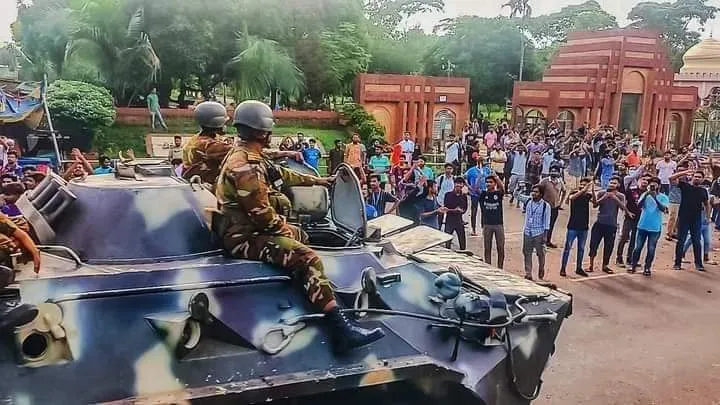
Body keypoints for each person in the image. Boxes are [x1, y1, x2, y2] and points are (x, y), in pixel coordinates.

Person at [215, 100, 384, 352]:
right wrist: (293, 232)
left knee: (300, 239)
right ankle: (341, 331)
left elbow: (282, 174)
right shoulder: (246, 166)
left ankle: (315, 294)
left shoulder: (246, 155)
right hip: (243, 238)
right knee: (307, 257)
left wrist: (319, 181)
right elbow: (264, 218)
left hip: (244, 229)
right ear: (262, 131)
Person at [588, 176, 634, 274]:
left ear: (618, 185)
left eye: (614, 183)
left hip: (611, 224)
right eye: (611, 182)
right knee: (593, 244)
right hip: (599, 223)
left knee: (609, 246)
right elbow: (595, 205)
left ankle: (605, 265)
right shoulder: (601, 193)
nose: (612, 184)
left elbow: (623, 208)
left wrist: (614, 197)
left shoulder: (621, 195)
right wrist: (605, 197)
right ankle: (591, 265)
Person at [181, 101, 234, 186]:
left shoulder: (195, 139)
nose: (225, 125)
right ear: (217, 122)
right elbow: (239, 151)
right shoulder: (209, 145)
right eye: (224, 122)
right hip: (206, 189)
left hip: (195, 187)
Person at [671, 169, 711, 271]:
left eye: (699, 177)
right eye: (695, 176)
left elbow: (707, 204)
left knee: (697, 241)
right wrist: (685, 172)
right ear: (692, 177)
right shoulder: (685, 186)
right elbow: (671, 178)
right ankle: (677, 263)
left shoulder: (703, 191)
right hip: (683, 217)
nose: (697, 178)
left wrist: (707, 216)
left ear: (702, 180)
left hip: (696, 219)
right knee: (681, 241)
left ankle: (699, 264)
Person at [630, 177, 669, 276]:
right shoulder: (645, 194)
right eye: (651, 184)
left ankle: (647, 267)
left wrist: (655, 197)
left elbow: (663, 209)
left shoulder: (663, 197)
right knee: (638, 247)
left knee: (651, 249)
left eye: (655, 184)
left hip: (655, 228)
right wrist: (647, 194)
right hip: (642, 225)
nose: (652, 186)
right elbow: (638, 206)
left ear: (659, 186)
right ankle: (633, 265)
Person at [560, 177, 595, 277]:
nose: (583, 186)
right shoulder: (574, 193)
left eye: (585, 185)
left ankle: (579, 268)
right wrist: (584, 190)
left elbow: (596, 204)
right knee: (567, 247)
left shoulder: (587, 195)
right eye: (582, 184)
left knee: (581, 249)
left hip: (584, 227)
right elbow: (571, 198)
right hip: (573, 226)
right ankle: (563, 268)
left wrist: (592, 190)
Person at [522, 185, 551, 281]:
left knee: (541, 254)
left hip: (539, 233)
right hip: (527, 232)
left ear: (541, 194)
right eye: (533, 191)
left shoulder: (545, 206)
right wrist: (520, 188)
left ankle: (541, 269)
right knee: (527, 253)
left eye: (536, 192)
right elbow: (515, 195)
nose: (534, 193)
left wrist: (545, 236)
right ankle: (528, 273)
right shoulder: (528, 201)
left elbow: (547, 222)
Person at [479, 175, 505, 268]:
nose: (488, 184)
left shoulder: (498, 194)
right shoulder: (483, 194)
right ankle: (488, 266)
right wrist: (479, 177)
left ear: (494, 184)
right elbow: (475, 189)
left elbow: (503, 188)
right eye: (487, 182)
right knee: (487, 247)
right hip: (487, 224)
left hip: (498, 224)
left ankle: (500, 268)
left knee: (500, 247)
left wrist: (497, 178)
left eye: (491, 182)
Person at [464, 156, 492, 236]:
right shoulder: (472, 170)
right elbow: (464, 178)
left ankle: (484, 228)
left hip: (484, 192)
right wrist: (469, 187)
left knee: (484, 211)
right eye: (483, 161)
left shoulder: (487, 170)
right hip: (474, 193)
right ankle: (473, 229)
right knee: (474, 211)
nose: (485, 162)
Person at [444, 177, 468, 250]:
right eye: (457, 183)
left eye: (461, 183)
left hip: (459, 221)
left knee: (462, 242)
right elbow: (446, 208)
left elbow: (465, 208)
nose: (459, 185)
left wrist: (461, 211)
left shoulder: (464, 196)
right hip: (449, 221)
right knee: (447, 243)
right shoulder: (448, 195)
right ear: (454, 184)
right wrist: (455, 210)